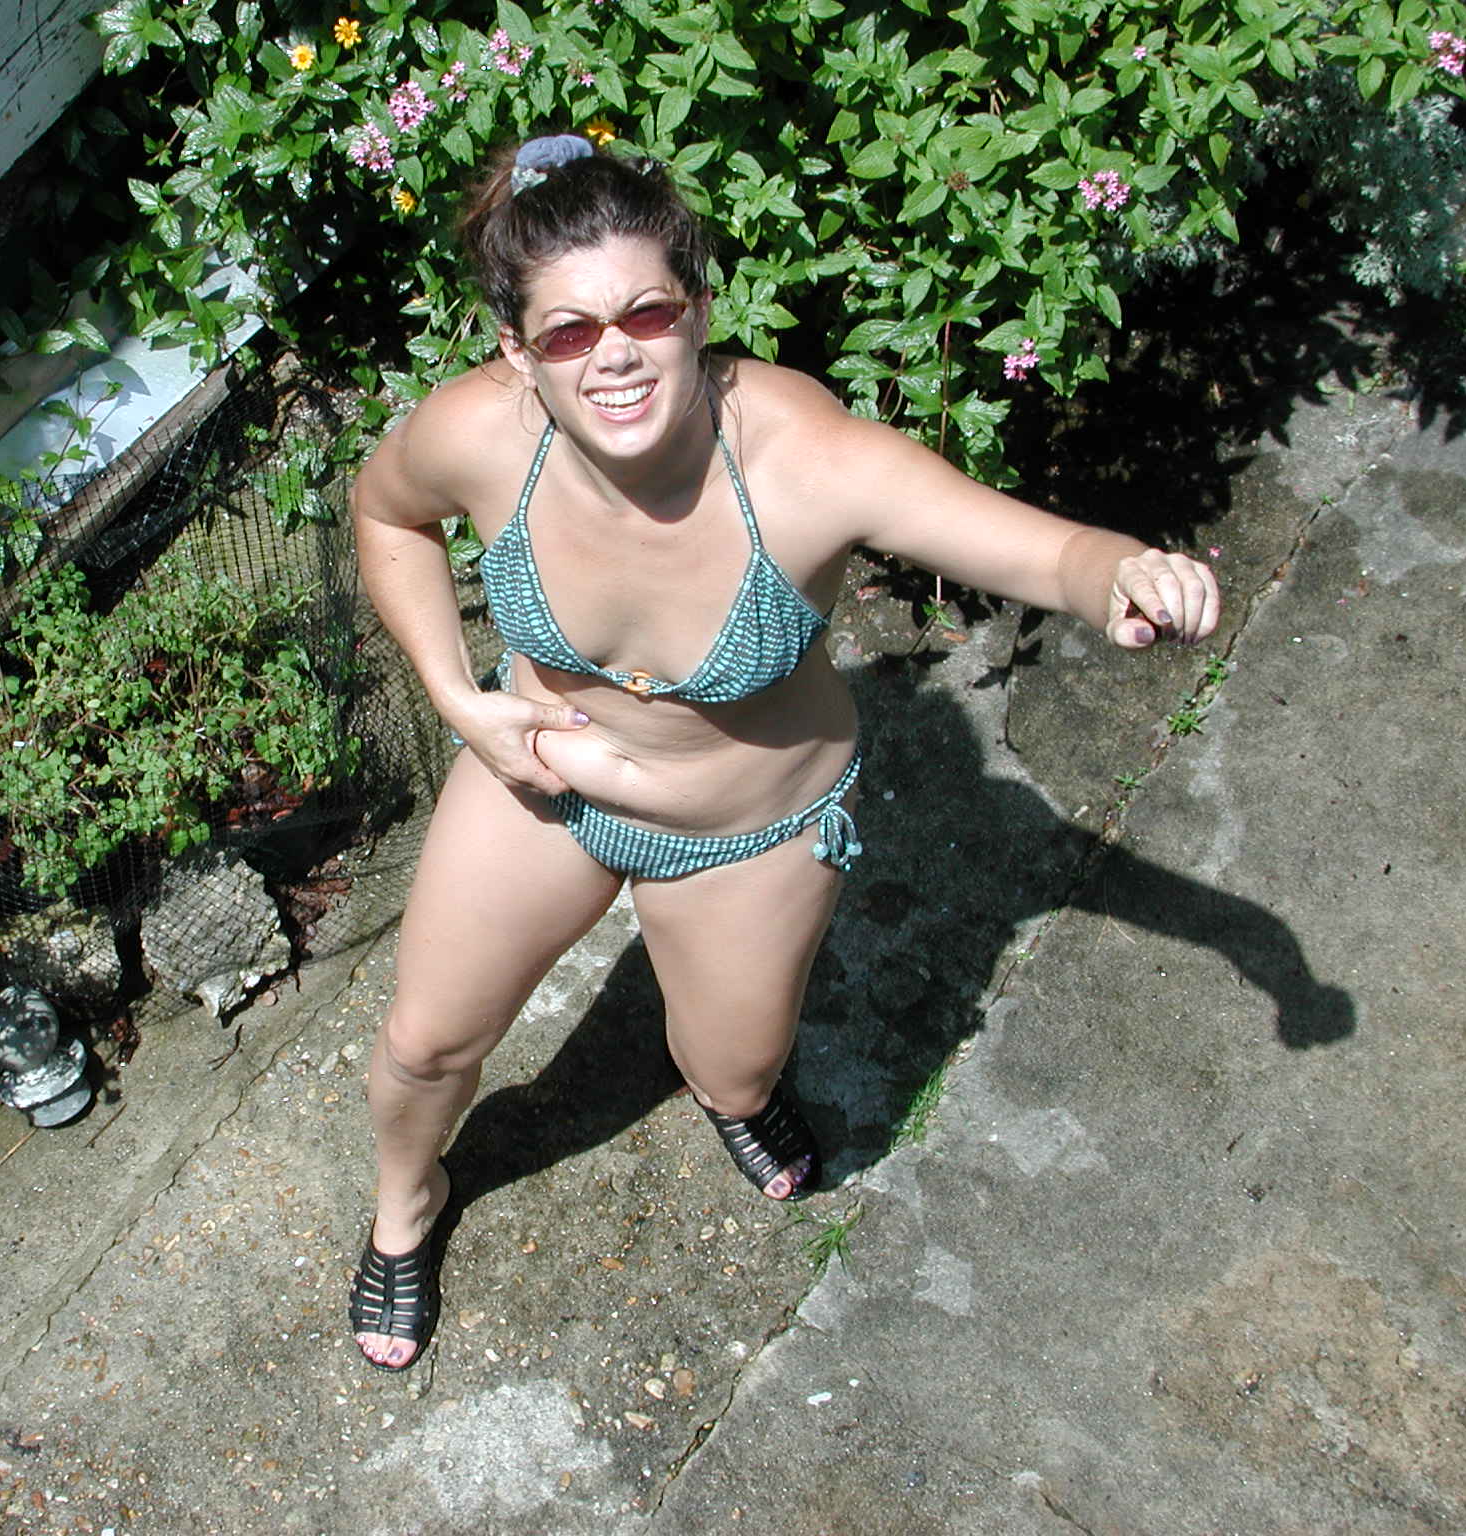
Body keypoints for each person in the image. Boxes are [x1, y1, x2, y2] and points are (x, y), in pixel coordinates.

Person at [345, 133, 1219, 1371]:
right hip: (532, 787)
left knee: (734, 1064)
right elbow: (385, 513)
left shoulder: (806, 459)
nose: (614, 355)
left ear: (697, 310)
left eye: (647, 311)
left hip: (741, 833)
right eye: (568, 332)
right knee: (421, 1045)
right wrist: (456, 697)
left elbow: (1042, 551)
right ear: (516, 353)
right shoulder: (480, 432)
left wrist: (1120, 570)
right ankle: (407, 1201)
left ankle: (732, 1096)